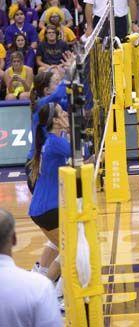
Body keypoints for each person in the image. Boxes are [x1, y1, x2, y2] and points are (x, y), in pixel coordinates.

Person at [27, 102, 71, 304]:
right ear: (54, 120)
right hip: (48, 209)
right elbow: (83, 160)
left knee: (58, 242)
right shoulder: (55, 143)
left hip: (41, 208)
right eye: (62, 113)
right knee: (71, 248)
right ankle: (51, 294)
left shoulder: (51, 140)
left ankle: (39, 274)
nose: (66, 113)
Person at [0, 208, 62, 326]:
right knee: (70, 246)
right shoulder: (39, 286)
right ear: (14, 239)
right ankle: (59, 293)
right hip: (49, 210)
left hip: (41, 211)